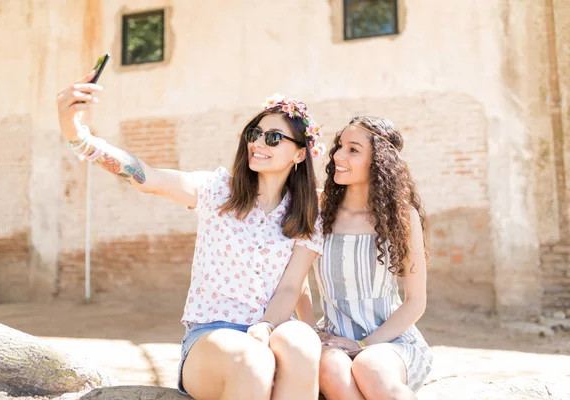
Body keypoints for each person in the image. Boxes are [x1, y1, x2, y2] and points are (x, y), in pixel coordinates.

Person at [56, 75, 326, 400]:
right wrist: (77, 135)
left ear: (299, 154)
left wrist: (269, 327)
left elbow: (291, 287)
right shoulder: (218, 191)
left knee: (303, 343)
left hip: (270, 329)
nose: (257, 143)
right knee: (252, 360)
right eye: (254, 134)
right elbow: (147, 177)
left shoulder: (306, 213)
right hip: (213, 337)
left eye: (273, 138)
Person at [299, 116, 433, 399]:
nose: (338, 155)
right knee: (331, 368)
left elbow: (416, 301)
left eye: (353, 149)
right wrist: (312, 330)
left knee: (370, 366)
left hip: (390, 342)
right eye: (339, 145)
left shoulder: (402, 217)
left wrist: (363, 344)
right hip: (333, 337)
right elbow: (296, 280)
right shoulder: (319, 209)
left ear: (379, 161)